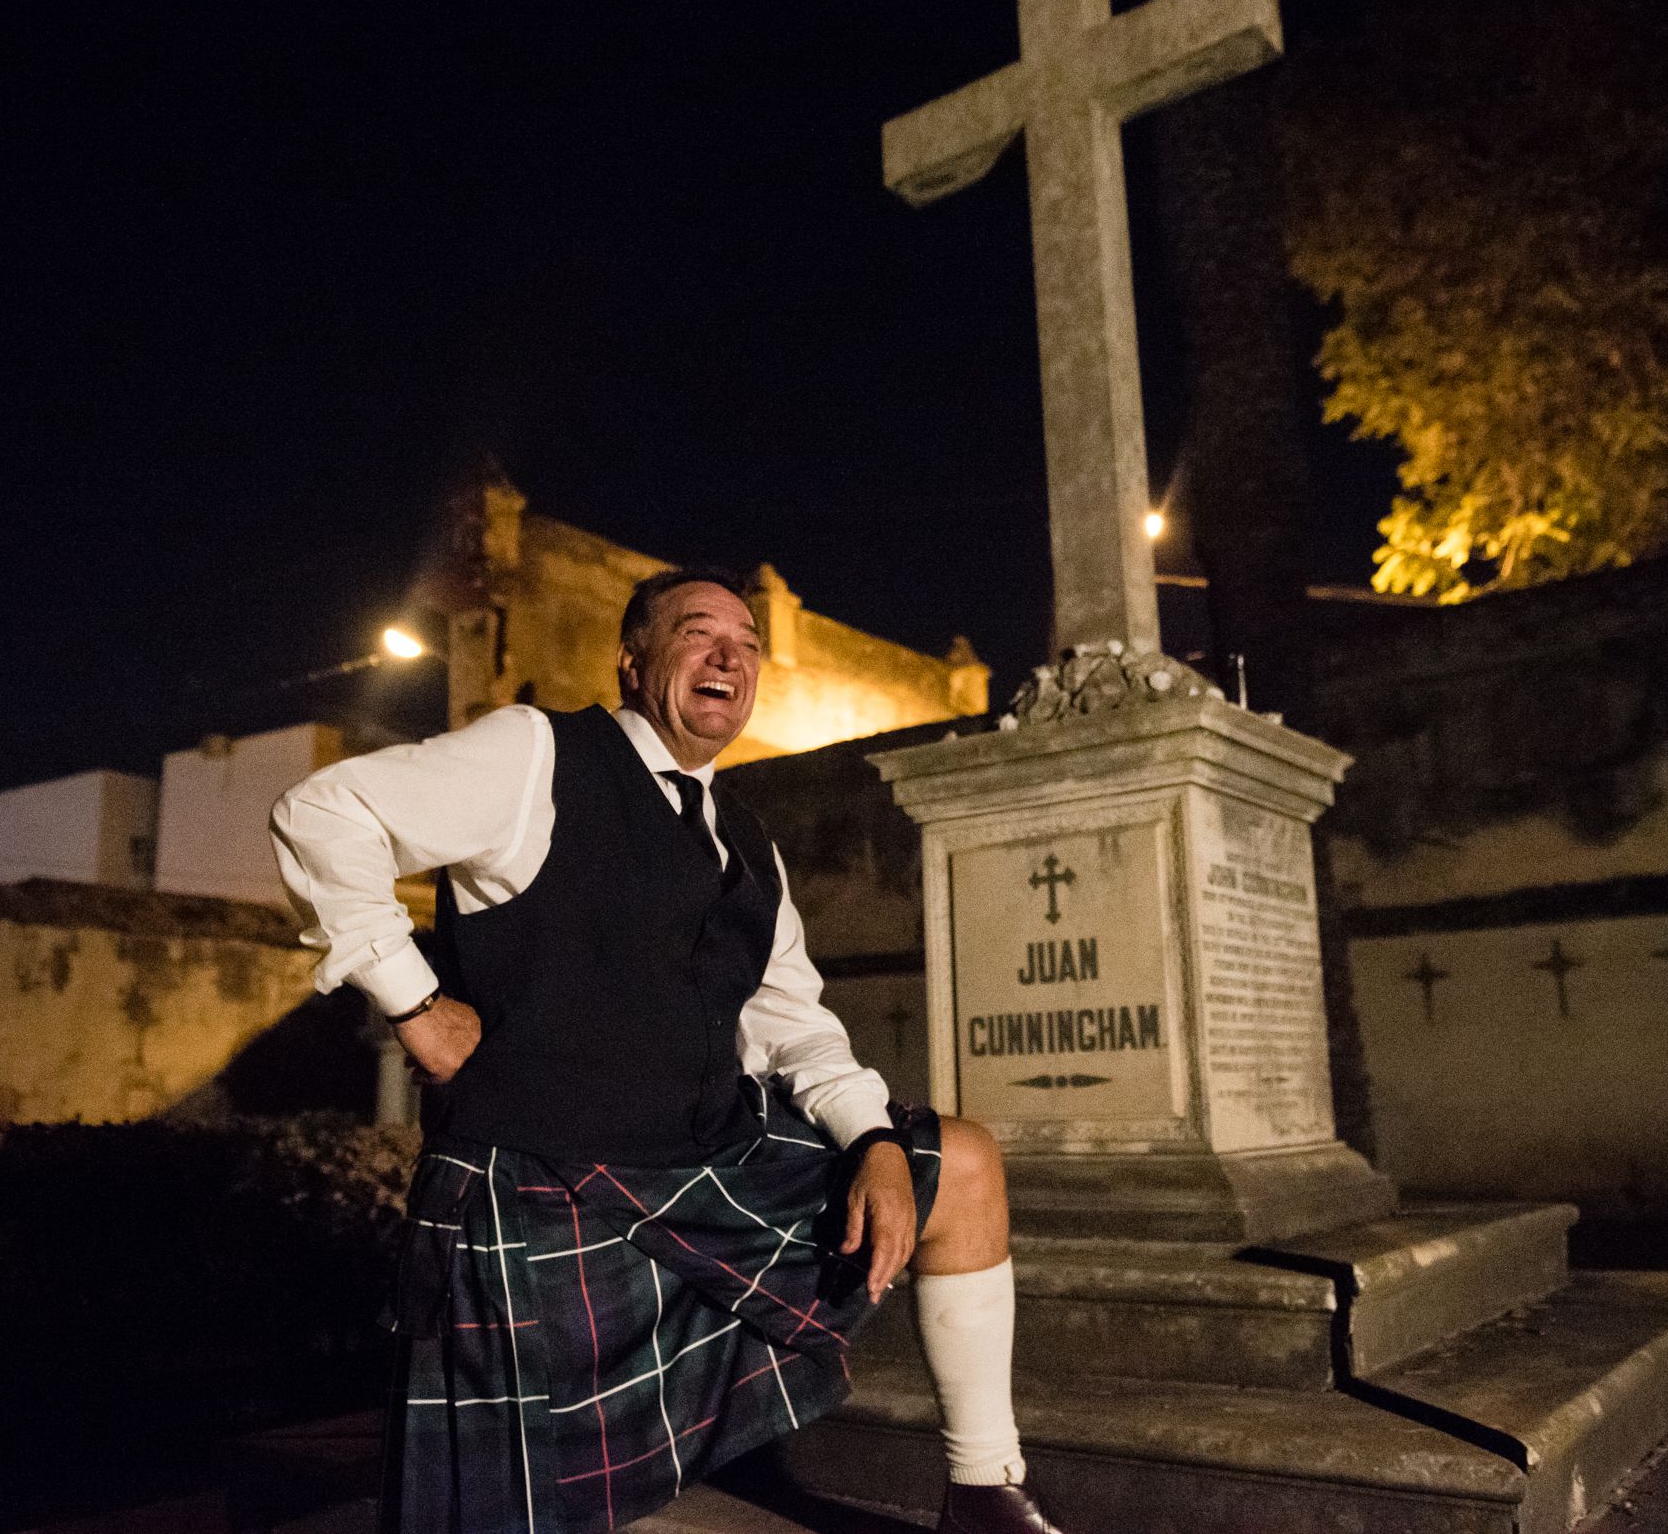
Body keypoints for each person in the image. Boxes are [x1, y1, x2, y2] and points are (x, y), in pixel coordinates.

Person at [270, 567, 1069, 1534]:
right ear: (633, 657)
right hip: (535, 1184)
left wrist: (875, 1141)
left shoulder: (746, 838)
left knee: (964, 1162)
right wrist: (416, 1001)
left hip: (702, 1171)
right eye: (699, 633)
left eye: (746, 642)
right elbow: (323, 813)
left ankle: (984, 1490)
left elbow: (793, 1020)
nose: (729, 654)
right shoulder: (538, 753)